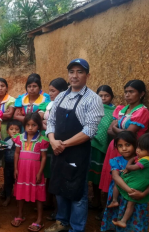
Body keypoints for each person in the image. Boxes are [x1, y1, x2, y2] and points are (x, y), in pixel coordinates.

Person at [45, 58, 104, 232]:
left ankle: (77, 228)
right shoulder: (61, 96)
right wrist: (53, 141)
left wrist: (63, 144)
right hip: (58, 150)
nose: (75, 76)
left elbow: (89, 130)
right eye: (72, 72)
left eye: (80, 72)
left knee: (77, 192)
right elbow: (51, 121)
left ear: (87, 75)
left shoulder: (93, 99)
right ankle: (61, 222)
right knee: (59, 187)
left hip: (77, 152)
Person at [99, 80, 149, 195]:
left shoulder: (142, 112)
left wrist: (116, 128)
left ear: (141, 94)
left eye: (132, 92)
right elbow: (109, 130)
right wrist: (119, 131)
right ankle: (109, 207)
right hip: (115, 147)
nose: (127, 95)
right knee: (112, 175)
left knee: (123, 177)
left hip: (128, 150)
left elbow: (128, 135)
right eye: (126, 92)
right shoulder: (122, 109)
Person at [101, 131, 149, 232]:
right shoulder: (116, 161)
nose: (124, 148)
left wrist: (142, 194)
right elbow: (116, 177)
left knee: (135, 220)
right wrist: (131, 191)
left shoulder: (145, 162)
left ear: (136, 145)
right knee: (117, 218)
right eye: (120, 146)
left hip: (137, 198)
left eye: (128, 145)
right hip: (121, 197)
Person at [11, 112, 49, 231]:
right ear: (24, 126)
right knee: (20, 192)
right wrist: (16, 169)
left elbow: (43, 157)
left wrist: (39, 173)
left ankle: (39, 220)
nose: (30, 128)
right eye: (28, 125)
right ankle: (20, 215)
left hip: (35, 171)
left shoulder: (42, 140)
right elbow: (16, 153)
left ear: (39, 126)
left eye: (34, 125)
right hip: (22, 170)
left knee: (38, 194)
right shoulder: (19, 138)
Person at [38, 78, 68, 221]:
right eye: (49, 90)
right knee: (48, 174)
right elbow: (40, 118)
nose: (50, 93)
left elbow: (58, 127)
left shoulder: (66, 106)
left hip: (58, 143)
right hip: (47, 143)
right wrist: (46, 125)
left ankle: (58, 209)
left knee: (58, 175)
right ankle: (48, 201)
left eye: (53, 91)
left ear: (62, 91)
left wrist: (46, 125)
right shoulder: (49, 104)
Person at [87, 85, 115, 215]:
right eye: (100, 95)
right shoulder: (92, 108)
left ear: (111, 97)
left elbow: (108, 129)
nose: (103, 98)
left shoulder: (115, 111)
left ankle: (102, 204)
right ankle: (95, 201)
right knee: (91, 175)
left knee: (101, 177)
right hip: (89, 145)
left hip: (103, 150)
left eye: (106, 95)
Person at [2, 119, 22, 207]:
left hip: (19, 166)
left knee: (19, 182)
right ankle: (8, 197)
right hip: (8, 165)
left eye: (17, 129)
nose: (14, 131)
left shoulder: (22, 141)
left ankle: (19, 199)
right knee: (8, 181)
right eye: (11, 129)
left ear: (21, 131)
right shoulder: (5, 140)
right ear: (7, 131)